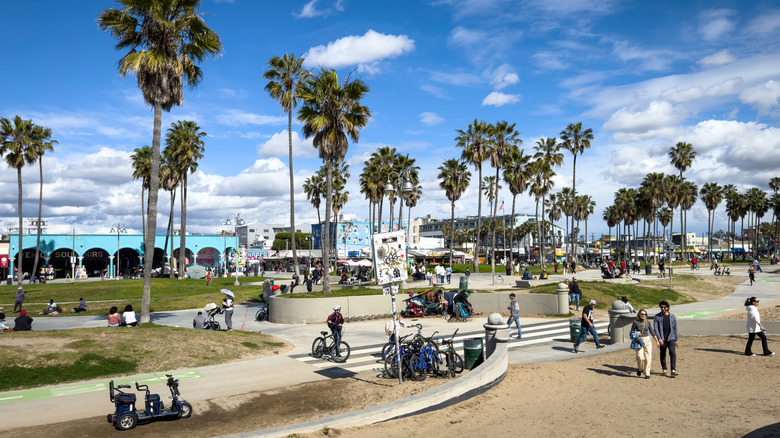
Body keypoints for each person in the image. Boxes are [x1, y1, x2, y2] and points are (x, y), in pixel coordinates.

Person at [653, 301, 679, 376]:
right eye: (661, 307)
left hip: (671, 338)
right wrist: (659, 338)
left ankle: (673, 370)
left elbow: (675, 328)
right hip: (662, 338)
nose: (663, 308)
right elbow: (656, 329)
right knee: (663, 354)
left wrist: (676, 339)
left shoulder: (672, 317)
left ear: (667, 307)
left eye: (664, 307)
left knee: (672, 353)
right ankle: (664, 369)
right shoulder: (657, 316)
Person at [631, 309, 659, 379]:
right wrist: (636, 334)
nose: (644, 315)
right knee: (640, 357)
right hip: (639, 340)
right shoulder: (635, 322)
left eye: (645, 314)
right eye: (642, 314)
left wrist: (657, 341)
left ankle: (647, 373)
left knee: (648, 358)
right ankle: (639, 369)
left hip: (647, 340)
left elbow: (652, 332)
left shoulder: (648, 323)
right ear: (639, 315)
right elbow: (631, 332)